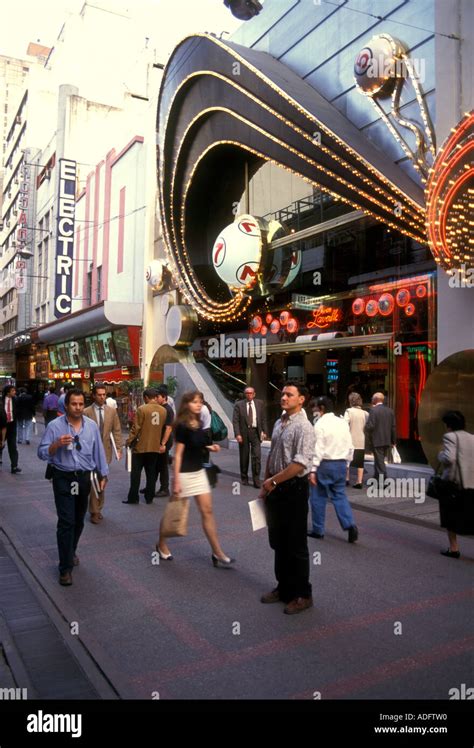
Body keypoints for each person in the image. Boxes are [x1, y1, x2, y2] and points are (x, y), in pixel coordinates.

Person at [37, 388, 108, 586]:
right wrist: (56, 445)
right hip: (63, 477)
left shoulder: (91, 426)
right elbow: (41, 452)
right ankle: (65, 568)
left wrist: (104, 473)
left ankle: (71, 550)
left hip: (83, 478)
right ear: (66, 406)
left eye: (80, 404)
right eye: (73, 404)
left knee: (78, 520)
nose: (77, 407)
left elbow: (98, 451)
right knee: (66, 521)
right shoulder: (54, 426)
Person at [157, 391, 234, 566]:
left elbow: (197, 445)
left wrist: (210, 447)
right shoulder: (182, 426)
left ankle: (217, 552)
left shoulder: (198, 422)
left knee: (207, 511)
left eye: (200, 402)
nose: (199, 405)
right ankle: (161, 544)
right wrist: (175, 480)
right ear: (186, 404)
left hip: (199, 473)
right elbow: (178, 454)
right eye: (194, 402)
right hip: (184, 475)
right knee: (173, 513)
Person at [258, 383, 315, 615]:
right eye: (282, 393)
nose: (284, 397)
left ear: (301, 399)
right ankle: (283, 587)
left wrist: (274, 481)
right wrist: (266, 484)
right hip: (276, 488)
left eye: (289, 394)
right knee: (279, 542)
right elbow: (272, 455)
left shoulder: (305, 427)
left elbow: (300, 464)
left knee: (296, 544)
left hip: (294, 489)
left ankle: (302, 594)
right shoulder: (279, 423)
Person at [308, 396, 358, 542]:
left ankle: (318, 530)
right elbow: (350, 445)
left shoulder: (319, 424)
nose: (314, 410)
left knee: (318, 497)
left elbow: (318, 448)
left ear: (321, 408)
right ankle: (350, 524)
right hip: (341, 463)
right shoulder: (342, 422)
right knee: (339, 495)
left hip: (324, 464)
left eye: (315, 407)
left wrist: (313, 469)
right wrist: (347, 463)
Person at [437, 410, 474, 559]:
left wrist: (440, 455)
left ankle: (454, 548)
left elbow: (449, 458)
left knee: (449, 515)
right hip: (471, 482)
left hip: (454, 482)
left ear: (448, 425)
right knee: (471, 515)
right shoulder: (472, 437)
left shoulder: (450, 437)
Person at [84, 384, 123, 523]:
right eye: (99, 394)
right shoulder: (86, 412)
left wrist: (119, 448)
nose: (102, 397)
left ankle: (98, 508)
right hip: (90, 452)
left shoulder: (111, 412)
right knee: (93, 479)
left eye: (104, 394)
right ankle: (94, 511)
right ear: (93, 395)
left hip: (105, 451)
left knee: (102, 479)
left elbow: (117, 430)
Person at [123, 388, 166, 505]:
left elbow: (136, 428)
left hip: (140, 446)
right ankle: (149, 497)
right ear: (155, 397)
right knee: (151, 473)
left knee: (136, 473)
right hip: (154, 446)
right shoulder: (163, 410)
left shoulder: (142, 409)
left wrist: (129, 440)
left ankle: (133, 497)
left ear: (146, 397)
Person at [232, 386, 267, 488]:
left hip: (256, 433)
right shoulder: (239, 405)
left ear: (254, 394)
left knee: (257, 456)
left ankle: (256, 480)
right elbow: (235, 421)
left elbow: (263, 419)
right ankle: (244, 477)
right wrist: (237, 434)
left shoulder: (260, 403)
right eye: (247, 393)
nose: (249, 395)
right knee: (244, 456)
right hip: (244, 433)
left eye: (251, 393)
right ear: (244, 394)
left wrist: (264, 431)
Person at [364, 392, 396, 482]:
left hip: (377, 440)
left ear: (375, 399)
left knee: (380, 461)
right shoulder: (390, 411)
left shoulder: (373, 411)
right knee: (379, 460)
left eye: (372, 398)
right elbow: (393, 427)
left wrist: (365, 427)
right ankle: (376, 478)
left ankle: (383, 481)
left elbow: (371, 426)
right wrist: (394, 440)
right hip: (387, 440)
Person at [344, 392, 368, 488]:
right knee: (360, 462)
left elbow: (345, 424)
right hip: (361, 440)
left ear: (351, 401)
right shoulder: (365, 413)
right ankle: (359, 481)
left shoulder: (349, 411)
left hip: (350, 440)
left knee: (347, 461)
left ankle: (346, 479)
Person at [2, 385, 21, 474]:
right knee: (0, 444)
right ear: (8, 392)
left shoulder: (16, 400)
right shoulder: (1, 400)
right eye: (13, 391)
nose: (14, 392)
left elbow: (17, 410)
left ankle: (14, 466)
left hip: (12, 425)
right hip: (2, 425)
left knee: (13, 446)